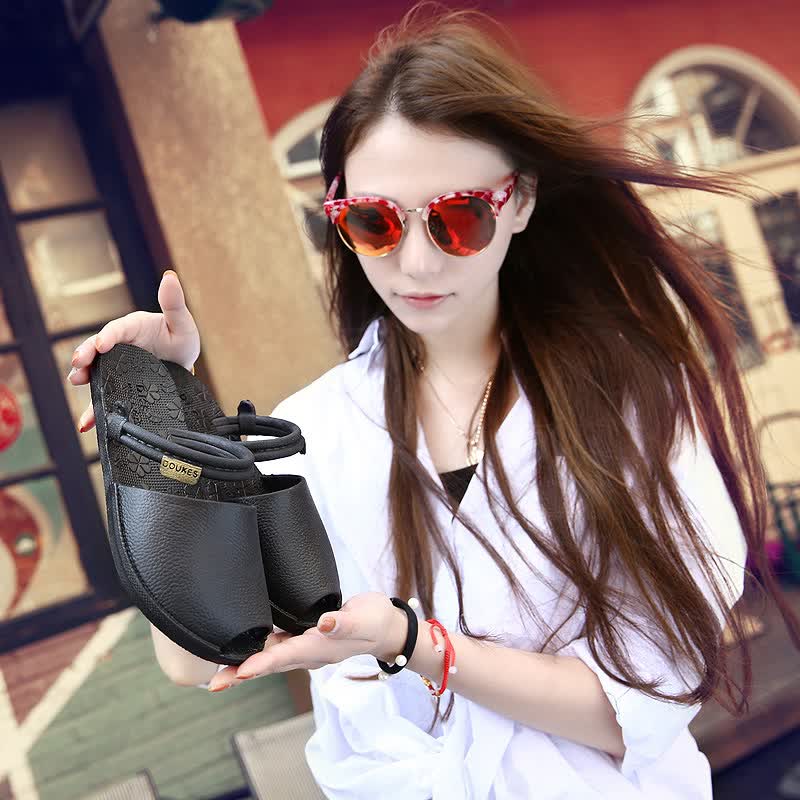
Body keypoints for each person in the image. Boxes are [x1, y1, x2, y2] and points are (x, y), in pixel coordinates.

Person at [68, 6, 800, 799]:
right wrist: (170, 421)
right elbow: (193, 654)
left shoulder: (628, 401)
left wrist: (416, 642)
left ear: (520, 202)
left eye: (458, 217)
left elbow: (636, 712)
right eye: (375, 223)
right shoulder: (316, 429)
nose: (415, 263)